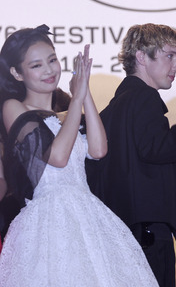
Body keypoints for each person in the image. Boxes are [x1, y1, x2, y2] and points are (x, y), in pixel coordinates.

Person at [0, 25, 157, 286]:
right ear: (17, 73)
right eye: (37, 65)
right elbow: (58, 157)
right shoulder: (13, 108)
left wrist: (83, 94)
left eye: (52, 60)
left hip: (88, 213)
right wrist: (76, 100)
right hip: (48, 220)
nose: (50, 70)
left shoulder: (67, 113)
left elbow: (99, 149)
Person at [85, 23, 176, 287]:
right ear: (141, 56)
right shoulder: (144, 98)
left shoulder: (111, 110)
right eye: (170, 55)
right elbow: (156, 148)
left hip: (122, 234)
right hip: (148, 238)